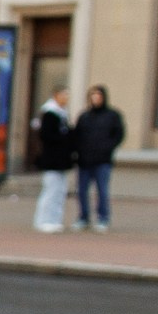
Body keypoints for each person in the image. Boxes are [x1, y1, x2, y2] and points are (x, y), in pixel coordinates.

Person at [71, 85, 124, 231]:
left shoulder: (112, 115)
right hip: (84, 160)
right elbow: (76, 136)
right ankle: (83, 217)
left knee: (102, 190)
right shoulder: (85, 116)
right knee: (82, 191)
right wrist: (77, 152)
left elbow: (118, 135)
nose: (96, 99)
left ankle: (103, 218)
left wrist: (107, 148)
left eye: (98, 96)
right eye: (93, 96)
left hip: (102, 161)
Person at [31, 86, 75, 233]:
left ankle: (55, 219)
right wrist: (65, 139)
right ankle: (43, 220)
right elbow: (47, 136)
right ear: (56, 95)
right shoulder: (49, 114)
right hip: (52, 160)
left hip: (61, 160)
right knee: (50, 190)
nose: (67, 98)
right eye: (64, 95)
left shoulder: (62, 114)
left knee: (60, 191)